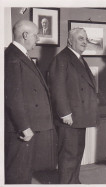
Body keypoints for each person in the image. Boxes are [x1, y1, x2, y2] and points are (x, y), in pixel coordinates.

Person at [4, 20, 53, 184]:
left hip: (27, 126)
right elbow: (12, 96)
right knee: (18, 174)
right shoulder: (12, 57)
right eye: (35, 35)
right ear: (25, 35)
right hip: (21, 129)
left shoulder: (18, 55)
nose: (37, 39)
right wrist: (24, 126)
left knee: (24, 171)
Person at [48, 28, 98, 184]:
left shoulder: (78, 58)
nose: (85, 42)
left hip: (79, 117)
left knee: (76, 154)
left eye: (86, 38)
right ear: (70, 40)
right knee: (69, 156)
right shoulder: (62, 58)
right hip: (69, 118)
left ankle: (73, 182)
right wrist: (64, 113)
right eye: (81, 38)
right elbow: (57, 88)